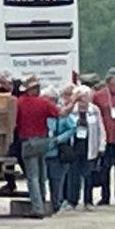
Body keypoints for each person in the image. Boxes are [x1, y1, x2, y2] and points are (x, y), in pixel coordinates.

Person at [14, 74, 60, 218]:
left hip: (28, 141)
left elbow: (14, 122)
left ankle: (37, 208)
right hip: (43, 140)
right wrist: (73, 101)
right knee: (42, 174)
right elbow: (61, 113)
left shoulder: (19, 102)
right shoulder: (44, 103)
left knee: (32, 176)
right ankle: (43, 203)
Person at [91, 67, 115, 206]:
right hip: (106, 137)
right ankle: (105, 196)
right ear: (109, 81)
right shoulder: (99, 96)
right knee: (104, 168)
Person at [66, 86, 107, 210]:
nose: (83, 99)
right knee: (73, 175)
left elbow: (100, 128)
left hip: (90, 147)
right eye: (81, 96)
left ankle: (88, 201)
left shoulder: (95, 110)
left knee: (88, 175)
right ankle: (72, 201)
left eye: (85, 96)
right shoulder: (71, 110)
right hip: (74, 147)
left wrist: (102, 145)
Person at [44, 86, 78, 215]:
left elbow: (73, 127)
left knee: (56, 180)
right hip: (43, 151)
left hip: (57, 153)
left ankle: (56, 204)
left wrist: (59, 139)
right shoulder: (42, 113)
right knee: (42, 180)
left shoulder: (61, 113)